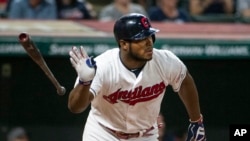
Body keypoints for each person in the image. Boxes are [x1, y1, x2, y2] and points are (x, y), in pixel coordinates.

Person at [68, 13, 206, 141]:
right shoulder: (103, 66)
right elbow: (75, 107)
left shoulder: (164, 61)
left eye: (150, 36)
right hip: (103, 133)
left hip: (145, 134)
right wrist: (84, 82)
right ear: (124, 44)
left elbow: (184, 81)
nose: (149, 43)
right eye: (141, 38)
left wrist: (196, 121)